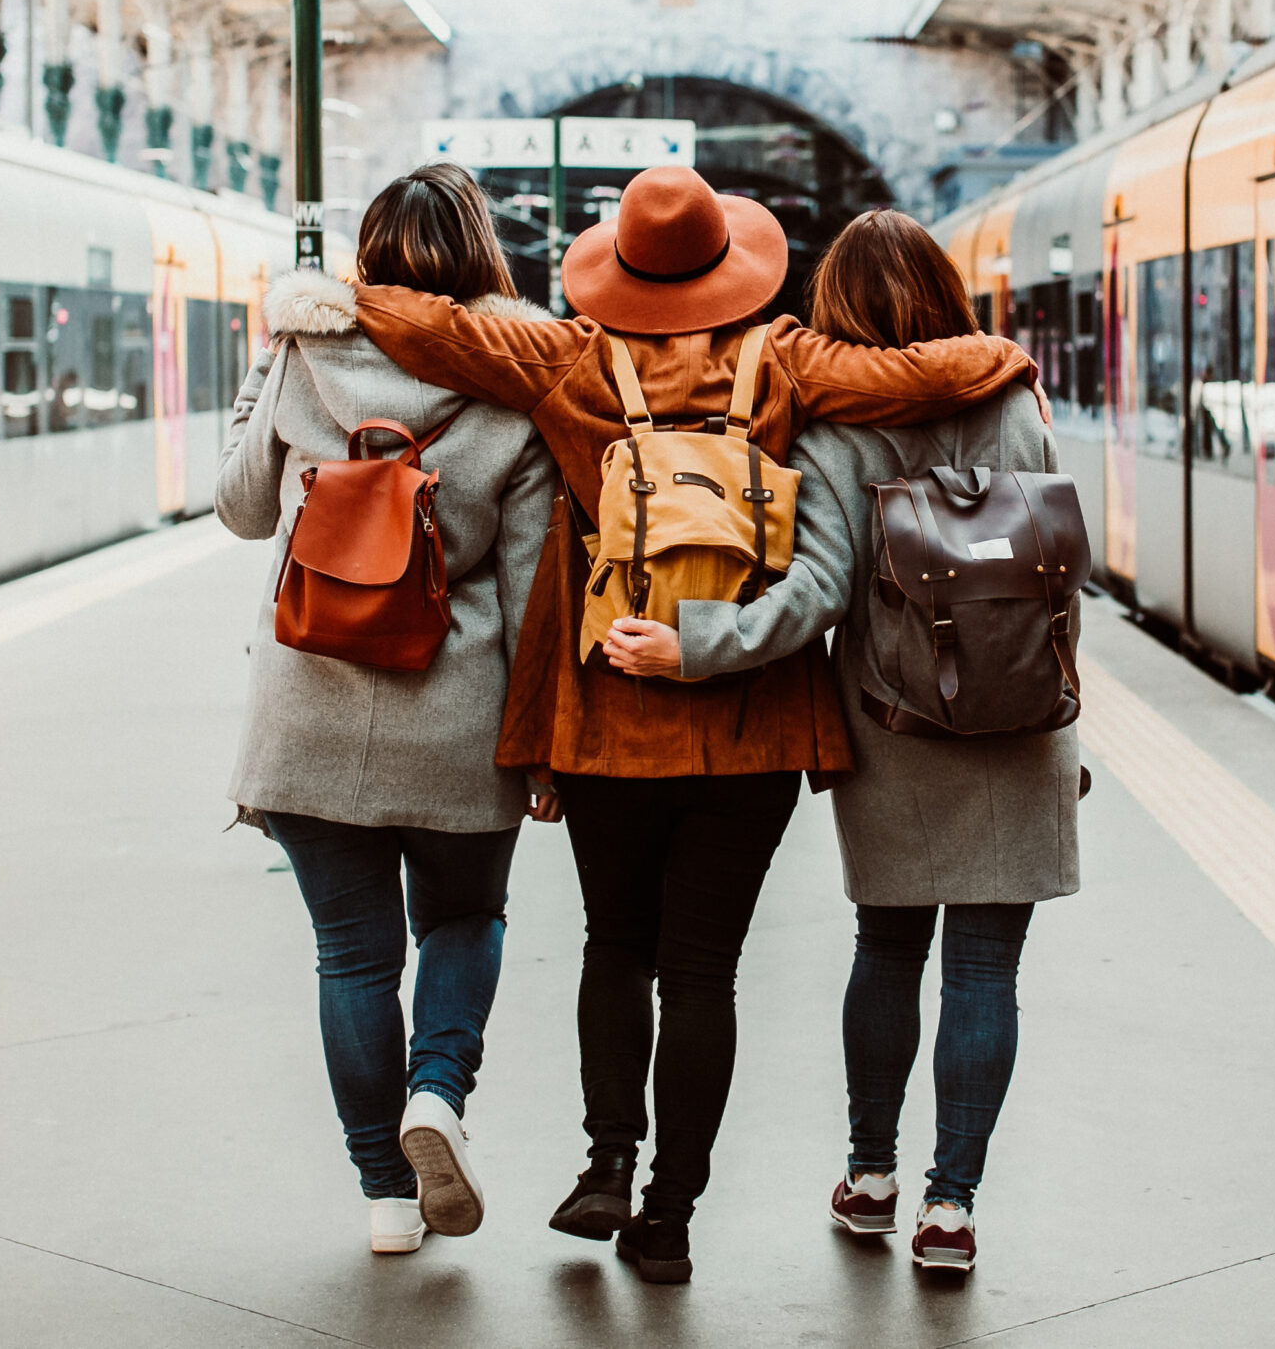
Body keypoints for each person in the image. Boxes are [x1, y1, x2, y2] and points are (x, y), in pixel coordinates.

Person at [345, 166, 1039, 1283]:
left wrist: (339, 299)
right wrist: (997, 356)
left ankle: (606, 1164)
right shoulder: (789, 358)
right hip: (752, 720)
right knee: (701, 973)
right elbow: (918, 376)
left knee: (613, 947)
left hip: (610, 705)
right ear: (733, 265)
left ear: (616, 268)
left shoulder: (565, 357)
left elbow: (431, 332)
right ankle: (669, 1216)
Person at [602, 210, 1083, 1277]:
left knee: (891, 948)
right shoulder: (1014, 396)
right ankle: (951, 1209)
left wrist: (692, 646)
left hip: (896, 721)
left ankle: (873, 1180)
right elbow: (1056, 564)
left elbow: (815, 595)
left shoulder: (832, 427)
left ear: (836, 314)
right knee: (986, 968)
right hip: (1020, 720)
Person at [217, 163, 559, 1258]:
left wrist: (263, 389)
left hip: (308, 706)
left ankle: (382, 1199)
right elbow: (526, 584)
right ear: (482, 255)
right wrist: (540, 738)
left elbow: (240, 508)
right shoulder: (515, 378)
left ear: (364, 256)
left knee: (350, 959)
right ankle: (437, 1095)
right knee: (461, 921)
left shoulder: (302, 348)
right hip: (457, 709)